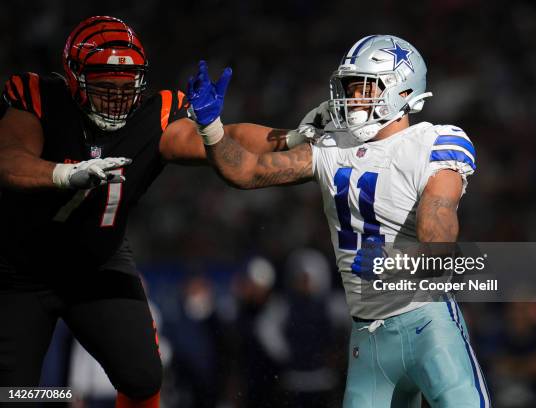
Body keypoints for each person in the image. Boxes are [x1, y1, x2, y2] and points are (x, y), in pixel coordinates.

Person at [0, 15, 309, 408]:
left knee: (143, 378)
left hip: (97, 263)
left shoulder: (154, 113)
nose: (117, 97)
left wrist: (297, 136)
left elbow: (228, 139)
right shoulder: (40, 98)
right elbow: (8, 159)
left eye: (126, 88)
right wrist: (64, 173)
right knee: (15, 395)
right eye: (104, 87)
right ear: (75, 80)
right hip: (21, 270)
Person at [187, 35, 491, 407]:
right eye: (348, 88)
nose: (351, 99)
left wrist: (394, 260)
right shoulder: (332, 148)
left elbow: (439, 244)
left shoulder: (431, 144)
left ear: (401, 87)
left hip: (429, 325)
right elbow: (246, 171)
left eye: (362, 87)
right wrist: (211, 128)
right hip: (369, 339)